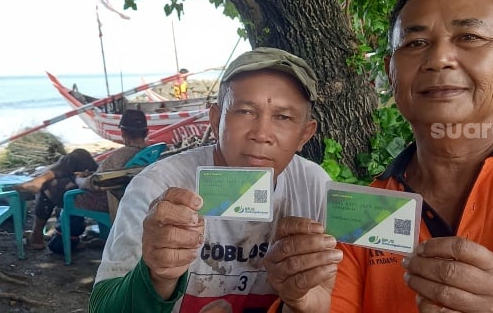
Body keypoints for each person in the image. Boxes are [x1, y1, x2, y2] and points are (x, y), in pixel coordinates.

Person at [267, 0, 493, 312]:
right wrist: (303, 305)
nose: (438, 59)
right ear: (391, 71)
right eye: (416, 43)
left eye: (469, 37)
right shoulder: (363, 212)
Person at [89, 47, 339, 312]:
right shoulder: (157, 187)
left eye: (284, 117)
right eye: (245, 111)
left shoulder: (314, 188)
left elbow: (329, 296)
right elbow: (103, 306)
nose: (261, 133)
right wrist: (155, 276)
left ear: (305, 134)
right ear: (216, 118)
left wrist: (306, 304)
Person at [14, 109, 150, 250]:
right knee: (80, 155)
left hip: (105, 197)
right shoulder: (150, 152)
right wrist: (91, 174)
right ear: (146, 132)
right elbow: (105, 176)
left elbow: (92, 184)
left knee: (51, 186)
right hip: (117, 188)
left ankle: (36, 237)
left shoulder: (119, 156)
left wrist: (78, 179)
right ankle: (41, 179)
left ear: (122, 132)